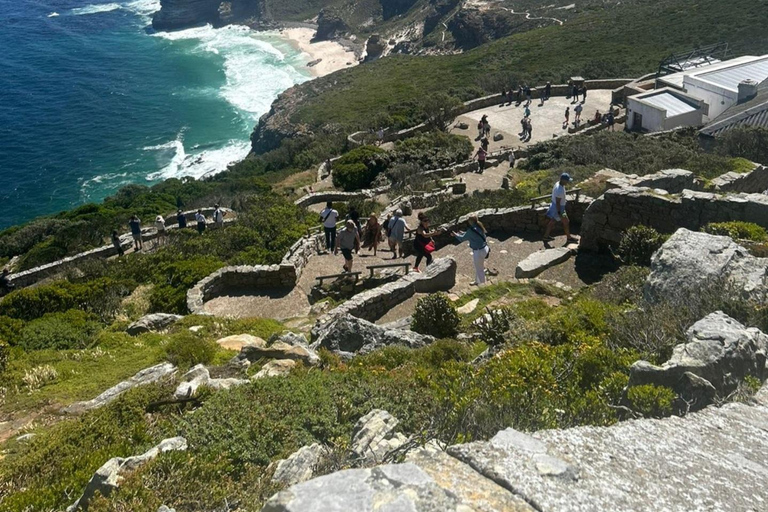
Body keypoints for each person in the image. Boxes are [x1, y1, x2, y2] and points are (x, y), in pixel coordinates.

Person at [452, 216, 489, 286]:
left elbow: (461, 239)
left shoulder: (471, 230)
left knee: (479, 269)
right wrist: (462, 232)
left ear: (470, 221)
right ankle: (477, 281)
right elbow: (471, 234)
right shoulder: (479, 226)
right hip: (484, 249)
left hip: (478, 252)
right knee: (479, 267)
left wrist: (455, 235)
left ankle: (483, 285)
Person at [543, 173, 578, 243]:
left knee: (552, 222)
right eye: (567, 181)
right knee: (566, 222)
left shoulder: (557, 184)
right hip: (559, 209)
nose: (568, 182)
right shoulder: (560, 190)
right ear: (563, 180)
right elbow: (558, 202)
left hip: (555, 207)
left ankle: (546, 236)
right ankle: (569, 237)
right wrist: (559, 212)